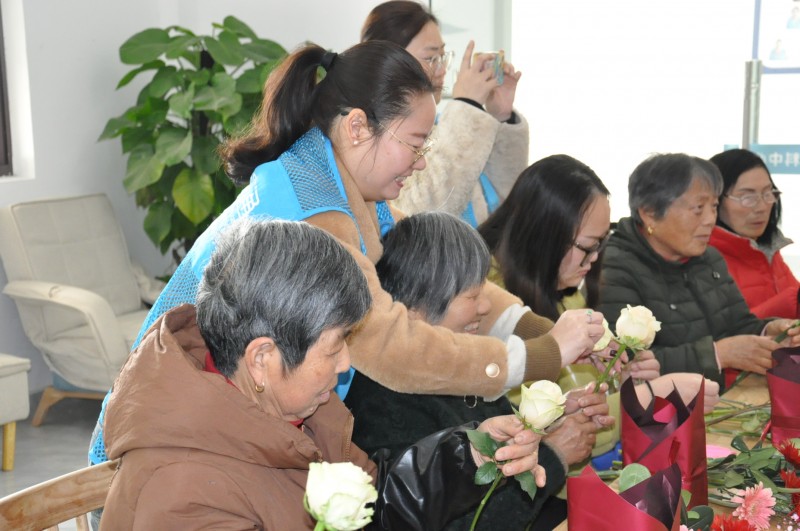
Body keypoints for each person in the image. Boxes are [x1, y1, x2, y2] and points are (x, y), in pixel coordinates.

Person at [89, 41, 606, 467]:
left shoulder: (342, 184)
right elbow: (385, 342)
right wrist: (539, 356)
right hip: (182, 436)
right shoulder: (314, 210)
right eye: (416, 144)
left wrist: (543, 332)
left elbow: (458, 282)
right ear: (358, 127)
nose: (421, 165)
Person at [99, 219, 546, 530]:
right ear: (262, 359)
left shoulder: (298, 410)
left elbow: (373, 505)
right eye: (333, 348)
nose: (346, 364)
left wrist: (463, 457)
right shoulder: (185, 491)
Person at [345, 211, 613, 530]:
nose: (486, 308)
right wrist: (552, 457)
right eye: (471, 296)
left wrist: (550, 421)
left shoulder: (460, 362)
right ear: (413, 309)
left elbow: (500, 462)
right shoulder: (383, 403)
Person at [478, 154, 721, 458]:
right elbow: (556, 433)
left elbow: (592, 395)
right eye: (588, 246)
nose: (594, 259)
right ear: (546, 235)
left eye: (602, 244)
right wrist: (649, 396)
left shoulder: (567, 293)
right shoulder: (485, 307)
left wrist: (626, 375)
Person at [597, 153, 800, 390]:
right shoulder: (614, 267)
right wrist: (717, 355)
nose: (710, 220)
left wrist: (769, 331)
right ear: (649, 212)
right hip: (659, 417)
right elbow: (625, 363)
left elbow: (737, 324)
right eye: (698, 208)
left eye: (713, 207)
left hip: (713, 403)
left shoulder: (708, 258)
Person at [361, 0, 528, 227]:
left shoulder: (442, 126)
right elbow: (422, 214)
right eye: (430, 59)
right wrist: (468, 105)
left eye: (442, 57)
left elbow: (503, 201)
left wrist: (501, 115)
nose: (442, 70)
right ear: (389, 61)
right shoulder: (371, 134)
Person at [708, 148, 799, 320]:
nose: (762, 207)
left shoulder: (769, 249)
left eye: (768, 193)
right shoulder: (703, 259)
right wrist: (790, 301)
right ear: (715, 200)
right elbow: (722, 333)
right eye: (747, 197)